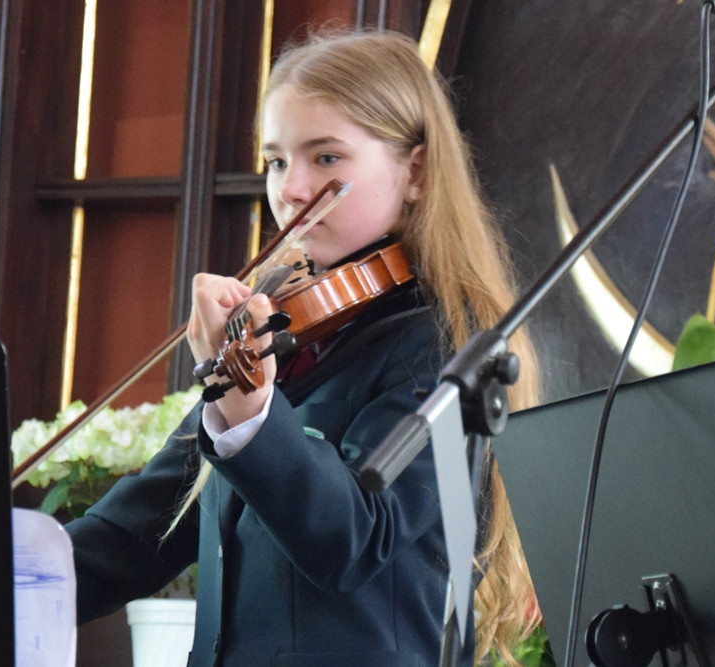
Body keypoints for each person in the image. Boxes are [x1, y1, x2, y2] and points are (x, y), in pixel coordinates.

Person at [65, 28, 541, 667]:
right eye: (276, 161)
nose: (290, 188)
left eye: (325, 158)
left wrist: (250, 410)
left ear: (416, 172)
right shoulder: (286, 330)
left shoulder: (441, 341)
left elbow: (356, 540)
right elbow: (138, 532)